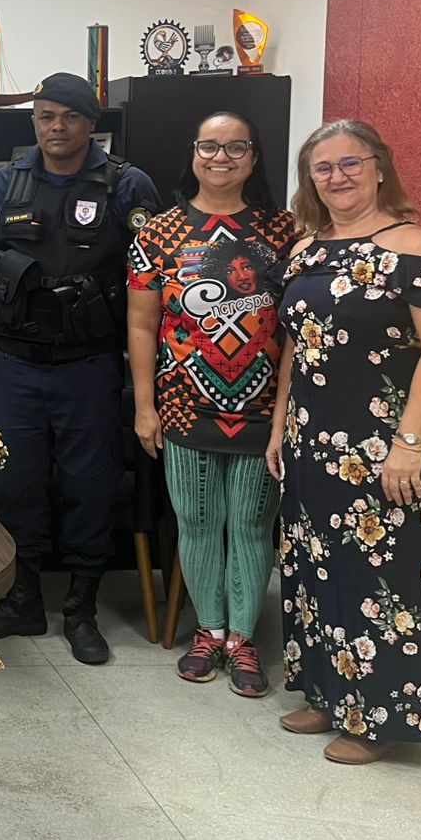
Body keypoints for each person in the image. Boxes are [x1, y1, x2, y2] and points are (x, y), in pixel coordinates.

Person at [266, 120, 421, 765]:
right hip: (310, 438)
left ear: (380, 167)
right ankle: (327, 692)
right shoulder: (306, 248)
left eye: (351, 163)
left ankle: (379, 718)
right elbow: (296, 344)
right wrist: (278, 428)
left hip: (384, 443)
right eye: (322, 168)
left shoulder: (414, 246)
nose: (337, 177)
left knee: (383, 577)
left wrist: (410, 442)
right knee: (318, 569)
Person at [0, 72, 161, 664]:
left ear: (90, 123)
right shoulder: (8, 180)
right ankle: (22, 599)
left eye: (68, 117)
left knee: (89, 485)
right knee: (17, 484)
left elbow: (150, 274)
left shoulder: (127, 185)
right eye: (45, 116)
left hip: (88, 363)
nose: (56, 128)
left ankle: (81, 608)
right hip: (19, 360)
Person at [127, 112, 296, 695]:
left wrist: (285, 412)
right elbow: (143, 327)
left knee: (252, 524)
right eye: (209, 146)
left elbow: (297, 330)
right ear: (193, 152)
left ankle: (244, 642)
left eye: (235, 148)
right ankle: (210, 630)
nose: (220, 157)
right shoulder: (157, 233)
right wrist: (144, 408)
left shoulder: (286, 232)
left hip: (263, 412)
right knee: (196, 523)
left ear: (254, 158)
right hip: (182, 407)